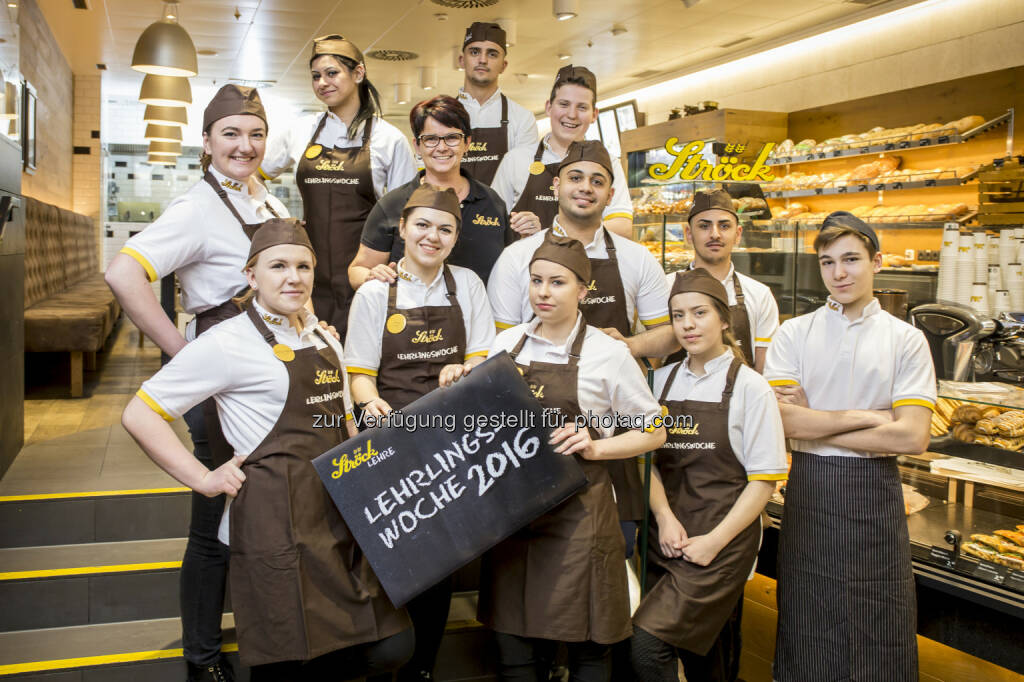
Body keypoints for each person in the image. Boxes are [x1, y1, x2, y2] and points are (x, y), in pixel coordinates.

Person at [121, 219, 412, 681]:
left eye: (303, 266)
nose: (293, 277)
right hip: (274, 524)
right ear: (252, 276)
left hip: (337, 516)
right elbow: (139, 414)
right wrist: (204, 479)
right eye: (278, 266)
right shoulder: (226, 342)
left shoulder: (322, 338)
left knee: (389, 646)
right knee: (290, 657)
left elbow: (339, 422)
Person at [105, 84, 287, 682]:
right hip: (221, 375)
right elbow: (123, 273)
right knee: (214, 517)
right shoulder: (197, 207)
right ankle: (202, 660)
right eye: (230, 133)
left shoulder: (267, 199)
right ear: (206, 142)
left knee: (259, 510)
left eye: (255, 133)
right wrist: (183, 353)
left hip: (267, 373)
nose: (245, 145)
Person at [479, 232, 666, 681]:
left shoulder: (609, 354)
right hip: (514, 519)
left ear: (583, 290)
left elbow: (654, 430)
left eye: (557, 283)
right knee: (513, 642)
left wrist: (597, 445)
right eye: (536, 281)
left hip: (579, 519)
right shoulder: (505, 346)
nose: (543, 292)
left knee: (589, 642)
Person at [764, 211, 935, 681]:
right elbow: (779, 421)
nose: (839, 273)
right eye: (827, 262)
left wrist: (813, 422)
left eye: (851, 259)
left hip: (874, 493)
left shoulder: (907, 340)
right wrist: (868, 417)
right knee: (806, 614)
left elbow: (913, 436)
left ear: (877, 262)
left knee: (880, 616)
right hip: (809, 488)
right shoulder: (793, 333)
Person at [344, 184, 496, 682]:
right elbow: (359, 373)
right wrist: (371, 405)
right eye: (423, 226)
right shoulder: (374, 291)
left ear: (456, 237)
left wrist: (464, 371)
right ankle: (381, 661)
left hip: (450, 438)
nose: (433, 237)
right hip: (391, 441)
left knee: (441, 558)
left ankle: (423, 669)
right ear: (403, 229)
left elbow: (481, 355)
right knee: (390, 554)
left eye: (445, 229)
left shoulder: (468, 285)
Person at [487, 140, 672, 544]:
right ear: (555, 186)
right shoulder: (515, 258)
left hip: (611, 434)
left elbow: (669, 335)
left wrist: (626, 347)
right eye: (575, 177)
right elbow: (502, 351)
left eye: (597, 181)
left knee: (607, 552)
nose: (585, 187)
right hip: (526, 446)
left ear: (610, 193)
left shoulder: (636, 258)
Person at [630, 268, 788, 682]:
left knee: (646, 645)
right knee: (707, 657)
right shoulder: (655, 382)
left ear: (723, 320)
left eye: (698, 313)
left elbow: (763, 483)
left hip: (720, 542)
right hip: (665, 536)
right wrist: (664, 517)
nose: (687, 325)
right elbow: (645, 462)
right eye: (678, 316)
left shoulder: (751, 388)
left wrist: (713, 542)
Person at [260, 33, 417, 338]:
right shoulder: (301, 130)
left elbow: (407, 216)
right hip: (305, 271)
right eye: (316, 76)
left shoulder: (389, 138)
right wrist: (276, 220)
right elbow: (253, 172)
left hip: (367, 271)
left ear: (358, 73)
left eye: (332, 73)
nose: (322, 83)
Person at [349, 95, 511, 290]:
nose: (442, 148)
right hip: (409, 317)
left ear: (467, 143)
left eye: (452, 138)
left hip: (477, 317)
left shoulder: (491, 202)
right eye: (431, 139)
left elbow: (509, 269)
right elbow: (357, 269)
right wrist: (371, 275)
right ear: (417, 145)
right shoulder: (393, 203)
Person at [490, 65, 633, 238]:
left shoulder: (608, 163)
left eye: (582, 107)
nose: (572, 115)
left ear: (594, 114)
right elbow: (492, 220)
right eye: (564, 104)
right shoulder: (516, 159)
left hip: (585, 264)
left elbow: (623, 227)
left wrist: (553, 236)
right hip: (525, 263)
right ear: (549, 107)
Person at [678, 188, 779, 372]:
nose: (715, 234)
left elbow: (766, 371)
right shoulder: (664, 288)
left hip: (740, 399)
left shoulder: (759, 295)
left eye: (724, 226)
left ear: (738, 234)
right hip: (673, 400)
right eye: (704, 226)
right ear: (688, 234)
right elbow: (652, 364)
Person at [457, 21, 538, 184]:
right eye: (474, 52)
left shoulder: (522, 119)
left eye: (492, 54)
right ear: (461, 60)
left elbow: (523, 180)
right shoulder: (441, 117)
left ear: (503, 65)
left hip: (502, 209)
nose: (482, 60)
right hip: (450, 208)